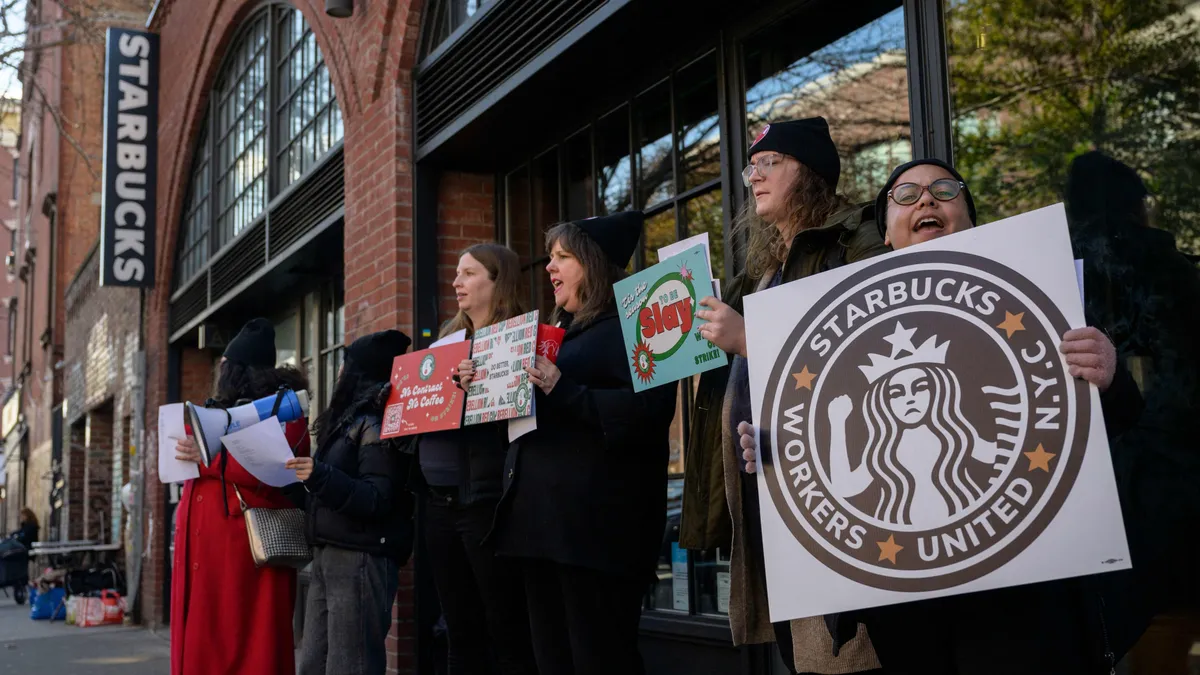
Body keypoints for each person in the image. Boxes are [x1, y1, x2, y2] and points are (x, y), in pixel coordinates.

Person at [738, 157, 1146, 674]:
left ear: (972, 219)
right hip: (904, 606)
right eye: (904, 196)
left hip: (1023, 593)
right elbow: (837, 479)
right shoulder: (837, 326)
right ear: (884, 233)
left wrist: (1108, 374)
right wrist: (774, 450)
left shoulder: (1039, 296)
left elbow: (1115, 424)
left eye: (943, 190)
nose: (925, 200)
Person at [680, 117, 887, 674]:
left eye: (770, 163)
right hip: (773, 493)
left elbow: (869, 356)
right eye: (752, 167)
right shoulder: (764, 268)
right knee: (803, 656)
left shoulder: (858, 240)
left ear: (811, 173)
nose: (755, 177)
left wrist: (748, 339)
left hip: (844, 495)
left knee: (847, 656)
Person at [488, 211, 676, 675]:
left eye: (563, 257)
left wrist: (562, 390)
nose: (550, 267)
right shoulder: (558, 335)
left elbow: (648, 414)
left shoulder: (639, 324)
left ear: (594, 263)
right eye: (550, 257)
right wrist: (485, 391)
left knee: (599, 658)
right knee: (552, 659)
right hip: (540, 528)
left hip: (595, 534)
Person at [413, 244, 537, 675]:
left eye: (467, 273)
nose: (456, 282)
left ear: (496, 280)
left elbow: (518, 424)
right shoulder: (448, 341)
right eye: (456, 273)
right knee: (458, 628)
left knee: (505, 627)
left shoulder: (518, 338)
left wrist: (476, 390)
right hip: (438, 504)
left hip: (486, 505)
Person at [170, 318, 312, 675]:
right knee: (210, 643)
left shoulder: (285, 412)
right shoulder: (218, 410)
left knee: (252, 646)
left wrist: (207, 458)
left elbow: (275, 466)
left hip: (250, 551)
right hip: (213, 553)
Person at [287, 329, 414, 675]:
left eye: (346, 365)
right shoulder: (351, 421)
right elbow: (330, 493)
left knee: (350, 665)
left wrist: (319, 476)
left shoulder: (375, 422)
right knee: (313, 664)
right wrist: (289, 482)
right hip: (330, 553)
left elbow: (377, 497)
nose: (340, 373)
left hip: (360, 556)